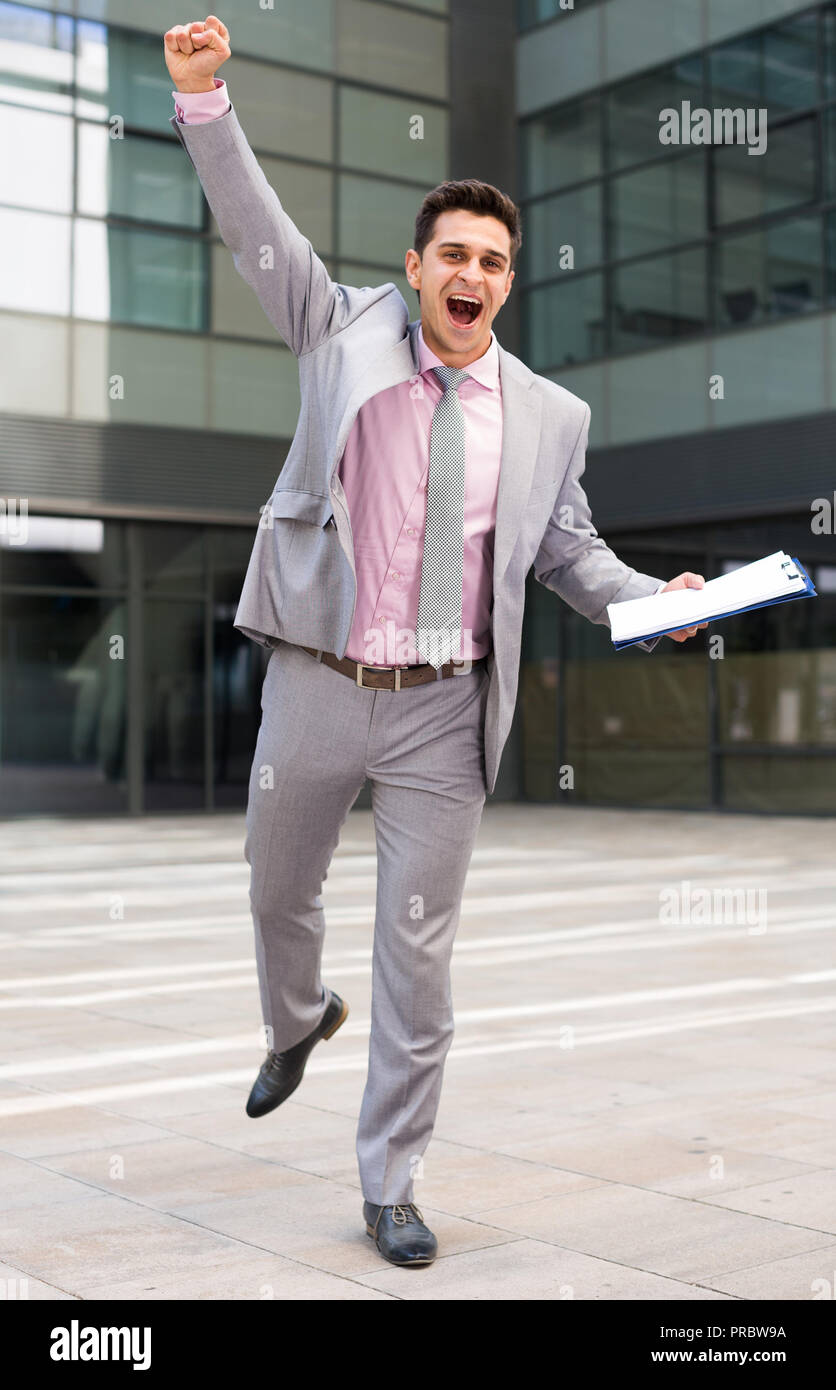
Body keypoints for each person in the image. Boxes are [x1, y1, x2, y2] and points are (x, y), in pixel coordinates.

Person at [164, 14, 706, 1269]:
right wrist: (205, 102)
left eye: (494, 261)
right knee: (272, 888)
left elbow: (568, 553)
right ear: (414, 268)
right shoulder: (335, 328)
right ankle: (295, 1019)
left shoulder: (549, 415)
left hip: (441, 711)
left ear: (509, 282)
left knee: (418, 955)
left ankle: (392, 1181)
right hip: (319, 674)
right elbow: (256, 230)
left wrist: (654, 600)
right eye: (451, 253)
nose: (471, 274)